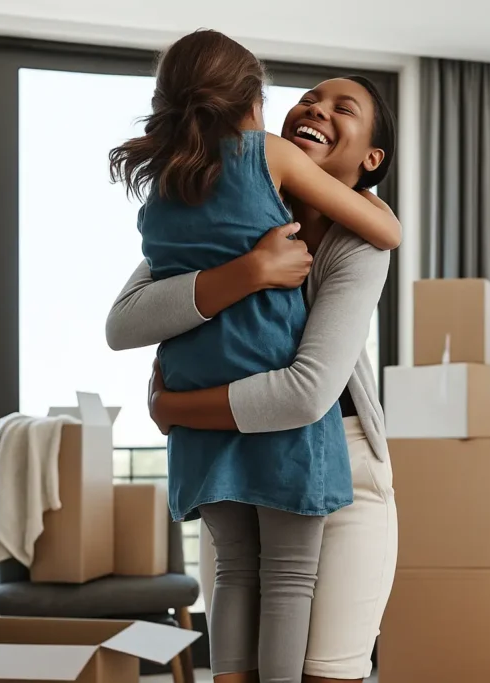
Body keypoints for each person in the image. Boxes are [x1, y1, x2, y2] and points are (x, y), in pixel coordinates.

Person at [107, 30, 400, 683]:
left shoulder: (357, 242)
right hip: (232, 453)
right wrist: (248, 271)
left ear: (371, 158)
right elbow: (124, 323)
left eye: (343, 107)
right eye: (310, 97)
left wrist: (176, 408)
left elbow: (305, 393)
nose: (316, 108)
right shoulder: (221, 190)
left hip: (337, 458)